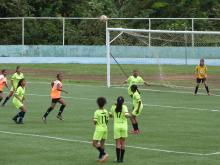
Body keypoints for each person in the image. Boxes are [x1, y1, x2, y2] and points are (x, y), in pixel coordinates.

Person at [109, 96, 130, 163]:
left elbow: (110, 115)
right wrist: (131, 116)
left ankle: (118, 159)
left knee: (118, 143)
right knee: (123, 143)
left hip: (116, 127)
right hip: (124, 126)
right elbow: (127, 115)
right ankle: (121, 159)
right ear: (123, 102)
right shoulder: (124, 107)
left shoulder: (113, 107)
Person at [92, 97, 109, 163]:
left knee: (94, 143)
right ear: (104, 104)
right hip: (105, 128)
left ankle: (104, 154)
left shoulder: (96, 112)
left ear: (97, 103)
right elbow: (107, 120)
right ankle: (101, 158)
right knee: (102, 144)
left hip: (99, 129)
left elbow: (95, 122)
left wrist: (93, 120)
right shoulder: (106, 111)